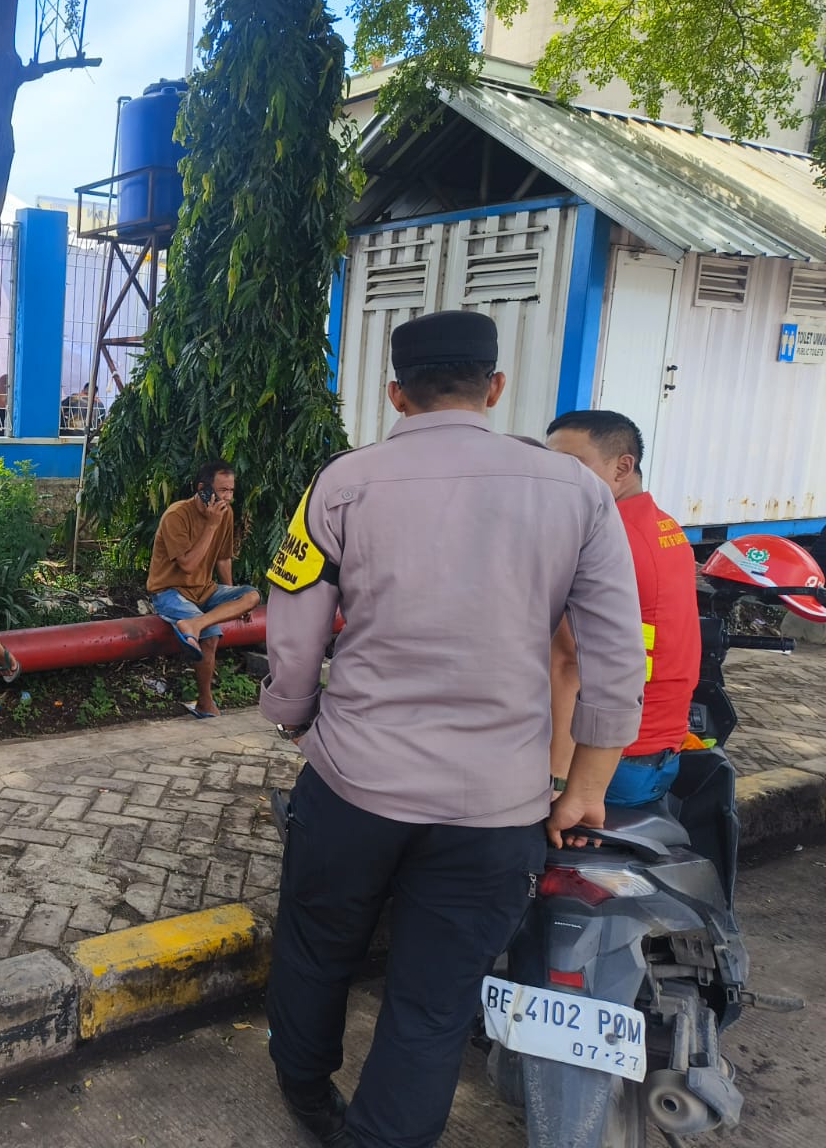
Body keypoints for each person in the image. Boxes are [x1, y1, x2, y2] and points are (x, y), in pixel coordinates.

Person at [259, 310, 647, 1148]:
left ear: (396, 393)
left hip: (353, 784)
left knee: (318, 945)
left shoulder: (342, 483)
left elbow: (293, 627)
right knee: (433, 1000)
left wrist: (292, 716)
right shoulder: (578, 492)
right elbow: (616, 656)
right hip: (498, 807)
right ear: (494, 386)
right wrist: (585, 787)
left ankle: (304, 1085)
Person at [547, 410, 700, 807]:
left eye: (572, 465)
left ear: (622, 467)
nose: (557, 479)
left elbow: (569, 663)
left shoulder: (605, 540)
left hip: (609, 760)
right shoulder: (667, 528)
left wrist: (559, 783)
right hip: (660, 751)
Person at [147, 460, 262, 717]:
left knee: (252, 595)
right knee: (210, 637)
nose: (228, 497)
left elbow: (223, 558)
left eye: (231, 491)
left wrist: (230, 601)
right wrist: (211, 525)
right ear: (203, 489)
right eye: (222, 491)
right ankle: (205, 702)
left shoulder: (225, 514)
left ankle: (195, 625)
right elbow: (188, 566)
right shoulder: (177, 515)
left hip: (205, 590)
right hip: (170, 591)